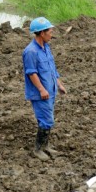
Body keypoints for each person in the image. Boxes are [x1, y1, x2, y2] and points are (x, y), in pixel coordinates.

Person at [23, 17, 67, 161]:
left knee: (47, 119)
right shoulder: (30, 52)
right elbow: (31, 73)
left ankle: (45, 146)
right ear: (42, 33)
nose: (52, 33)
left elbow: (51, 68)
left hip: (51, 89)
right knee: (46, 120)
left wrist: (59, 84)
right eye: (50, 31)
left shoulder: (46, 47)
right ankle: (38, 149)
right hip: (40, 93)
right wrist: (42, 89)